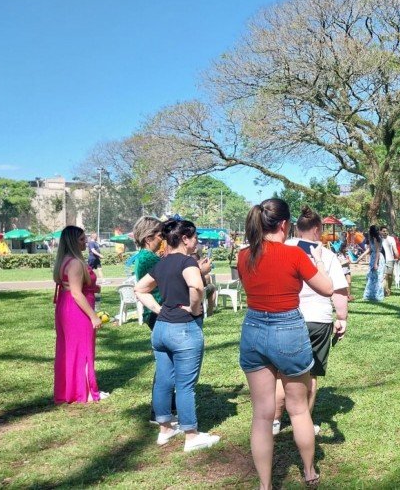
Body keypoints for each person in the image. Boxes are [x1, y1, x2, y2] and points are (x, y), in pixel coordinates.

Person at [237, 199, 333, 489]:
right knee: (299, 409)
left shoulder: (244, 256)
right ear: (284, 224)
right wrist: (317, 264)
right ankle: (309, 471)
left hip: (253, 327)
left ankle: (266, 485)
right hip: (288, 327)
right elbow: (327, 288)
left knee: (262, 415)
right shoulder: (294, 255)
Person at [134, 219, 219, 453]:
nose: (197, 242)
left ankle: (165, 429)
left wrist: (159, 310)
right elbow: (197, 287)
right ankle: (191, 435)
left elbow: (140, 289)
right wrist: (194, 308)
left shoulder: (161, 264)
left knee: (163, 380)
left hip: (161, 330)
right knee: (186, 385)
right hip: (184, 330)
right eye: (195, 238)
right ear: (184, 239)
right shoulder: (187, 262)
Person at [275, 206, 349, 436]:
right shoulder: (326, 254)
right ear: (317, 230)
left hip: (286, 315)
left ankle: (275, 421)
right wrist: (342, 317)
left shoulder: (281, 249)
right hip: (318, 318)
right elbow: (339, 289)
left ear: (296, 228)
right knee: (312, 373)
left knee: (281, 372)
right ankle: (304, 423)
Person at [53, 226, 107, 403]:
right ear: (72, 242)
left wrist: (92, 288)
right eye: (82, 240)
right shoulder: (75, 263)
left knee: (69, 348)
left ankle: (71, 388)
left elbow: (73, 287)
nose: (85, 242)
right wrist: (93, 316)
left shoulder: (65, 260)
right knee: (83, 348)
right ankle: (86, 391)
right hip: (76, 309)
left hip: (65, 305)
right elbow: (77, 293)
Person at [131, 215, 176, 424]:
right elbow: (170, 274)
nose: (163, 239)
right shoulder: (149, 258)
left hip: (157, 313)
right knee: (166, 364)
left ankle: (166, 407)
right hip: (158, 312)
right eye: (160, 235)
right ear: (149, 237)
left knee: (168, 363)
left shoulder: (146, 256)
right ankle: (161, 410)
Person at [359, 225, 385, 301]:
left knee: (378, 277)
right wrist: (361, 256)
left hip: (378, 258)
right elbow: (369, 249)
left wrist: (375, 263)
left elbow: (377, 251)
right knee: (371, 277)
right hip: (373, 257)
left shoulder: (377, 239)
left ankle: (378, 296)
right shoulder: (371, 239)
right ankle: (370, 295)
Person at [379, 226, 399, 296]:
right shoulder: (379, 240)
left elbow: (395, 249)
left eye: (386, 231)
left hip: (390, 259)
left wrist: (397, 256)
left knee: (390, 276)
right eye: (383, 231)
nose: (385, 232)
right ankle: (385, 291)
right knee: (384, 276)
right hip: (382, 260)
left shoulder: (391, 239)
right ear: (380, 232)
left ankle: (389, 289)